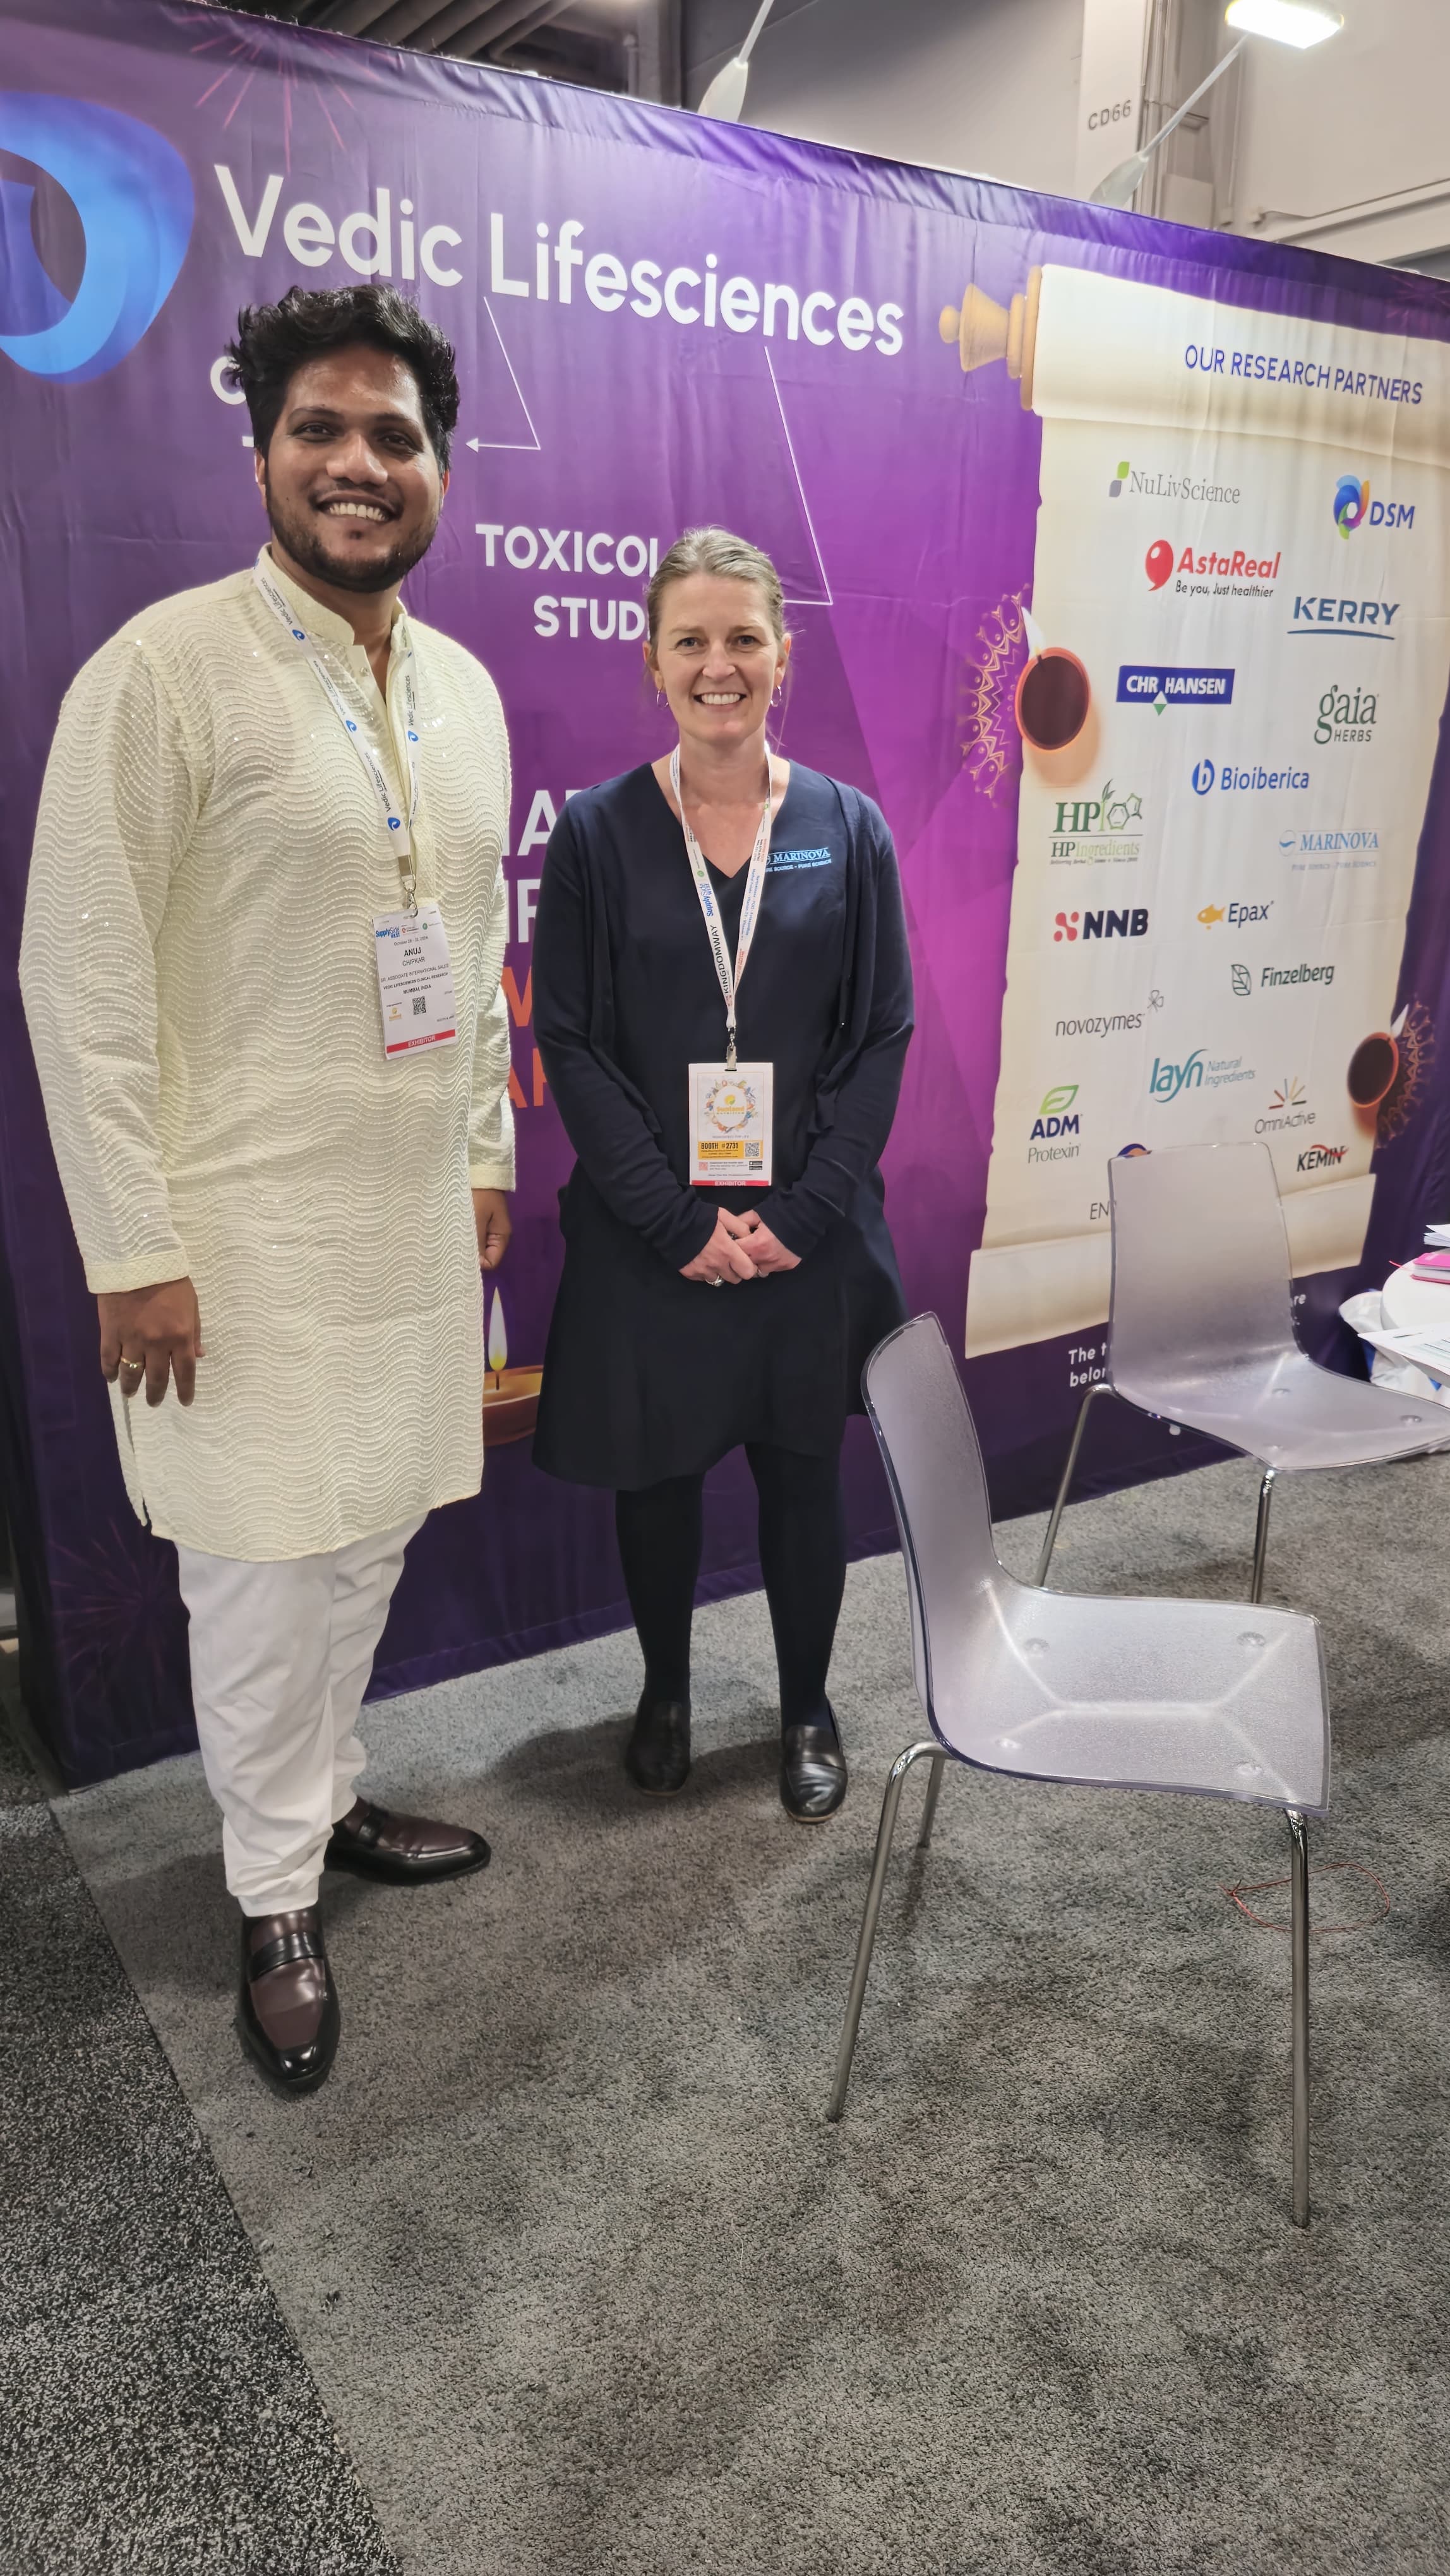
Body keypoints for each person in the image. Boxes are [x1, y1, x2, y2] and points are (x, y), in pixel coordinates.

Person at [20, 285, 515, 2097]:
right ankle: (271, 1895)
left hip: (403, 1229)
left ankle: (321, 1802)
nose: (358, 464)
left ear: (438, 469)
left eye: (394, 435)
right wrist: (133, 1248)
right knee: (256, 1580)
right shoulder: (163, 673)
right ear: (261, 460)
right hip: (230, 1252)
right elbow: (77, 978)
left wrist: (483, 1155)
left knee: (367, 1542)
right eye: (322, 430)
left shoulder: (463, 693)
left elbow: (472, 954)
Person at [532, 526, 913, 1820]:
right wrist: (675, 1218)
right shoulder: (596, 834)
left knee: (803, 1474)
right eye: (689, 640)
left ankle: (807, 1705)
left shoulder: (848, 829)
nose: (718, 665)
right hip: (657, 1241)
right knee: (659, 1480)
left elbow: (880, 1035)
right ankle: (667, 1693)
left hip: (806, 1236)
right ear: (651, 662)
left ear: (781, 656)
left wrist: (803, 1213)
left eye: (743, 638)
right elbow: (571, 1042)